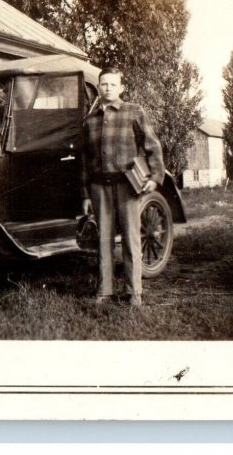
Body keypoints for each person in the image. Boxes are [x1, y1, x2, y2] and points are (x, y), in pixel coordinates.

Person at [82, 66, 165, 307]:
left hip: (128, 187)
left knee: (131, 238)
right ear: (98, 86)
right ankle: (104, 290)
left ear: (121, 87)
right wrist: (85, 193)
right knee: (103, 239)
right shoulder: (90, 120)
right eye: (103, 84)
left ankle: (134, 292)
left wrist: (155, 176)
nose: (107, 88)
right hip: (99, 187)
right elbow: (85, 160)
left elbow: (152, 145)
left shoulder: (133, 112)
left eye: (112, 84)